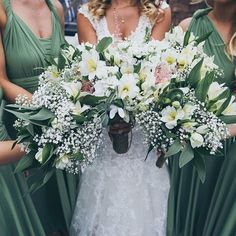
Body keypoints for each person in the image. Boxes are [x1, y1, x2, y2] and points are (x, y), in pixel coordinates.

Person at [70, 0, 171, 235]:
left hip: (143, 137)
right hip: (106, 134)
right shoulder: (88, 15)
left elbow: (156, 73)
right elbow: (90, 77)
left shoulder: (159, 12)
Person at [0, 0, 78, 234]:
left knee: (67, 209)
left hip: (65, 127)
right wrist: (46, 114)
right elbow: (1, 80)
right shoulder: (3, 10)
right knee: (38, 211)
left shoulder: (56, 8)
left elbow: (65, 69)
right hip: (25, 125)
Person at [167, 1, 236, 235]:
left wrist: (228, 130)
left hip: (231, 147)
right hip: (193, 144)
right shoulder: (188, 27)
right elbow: (167, 88)